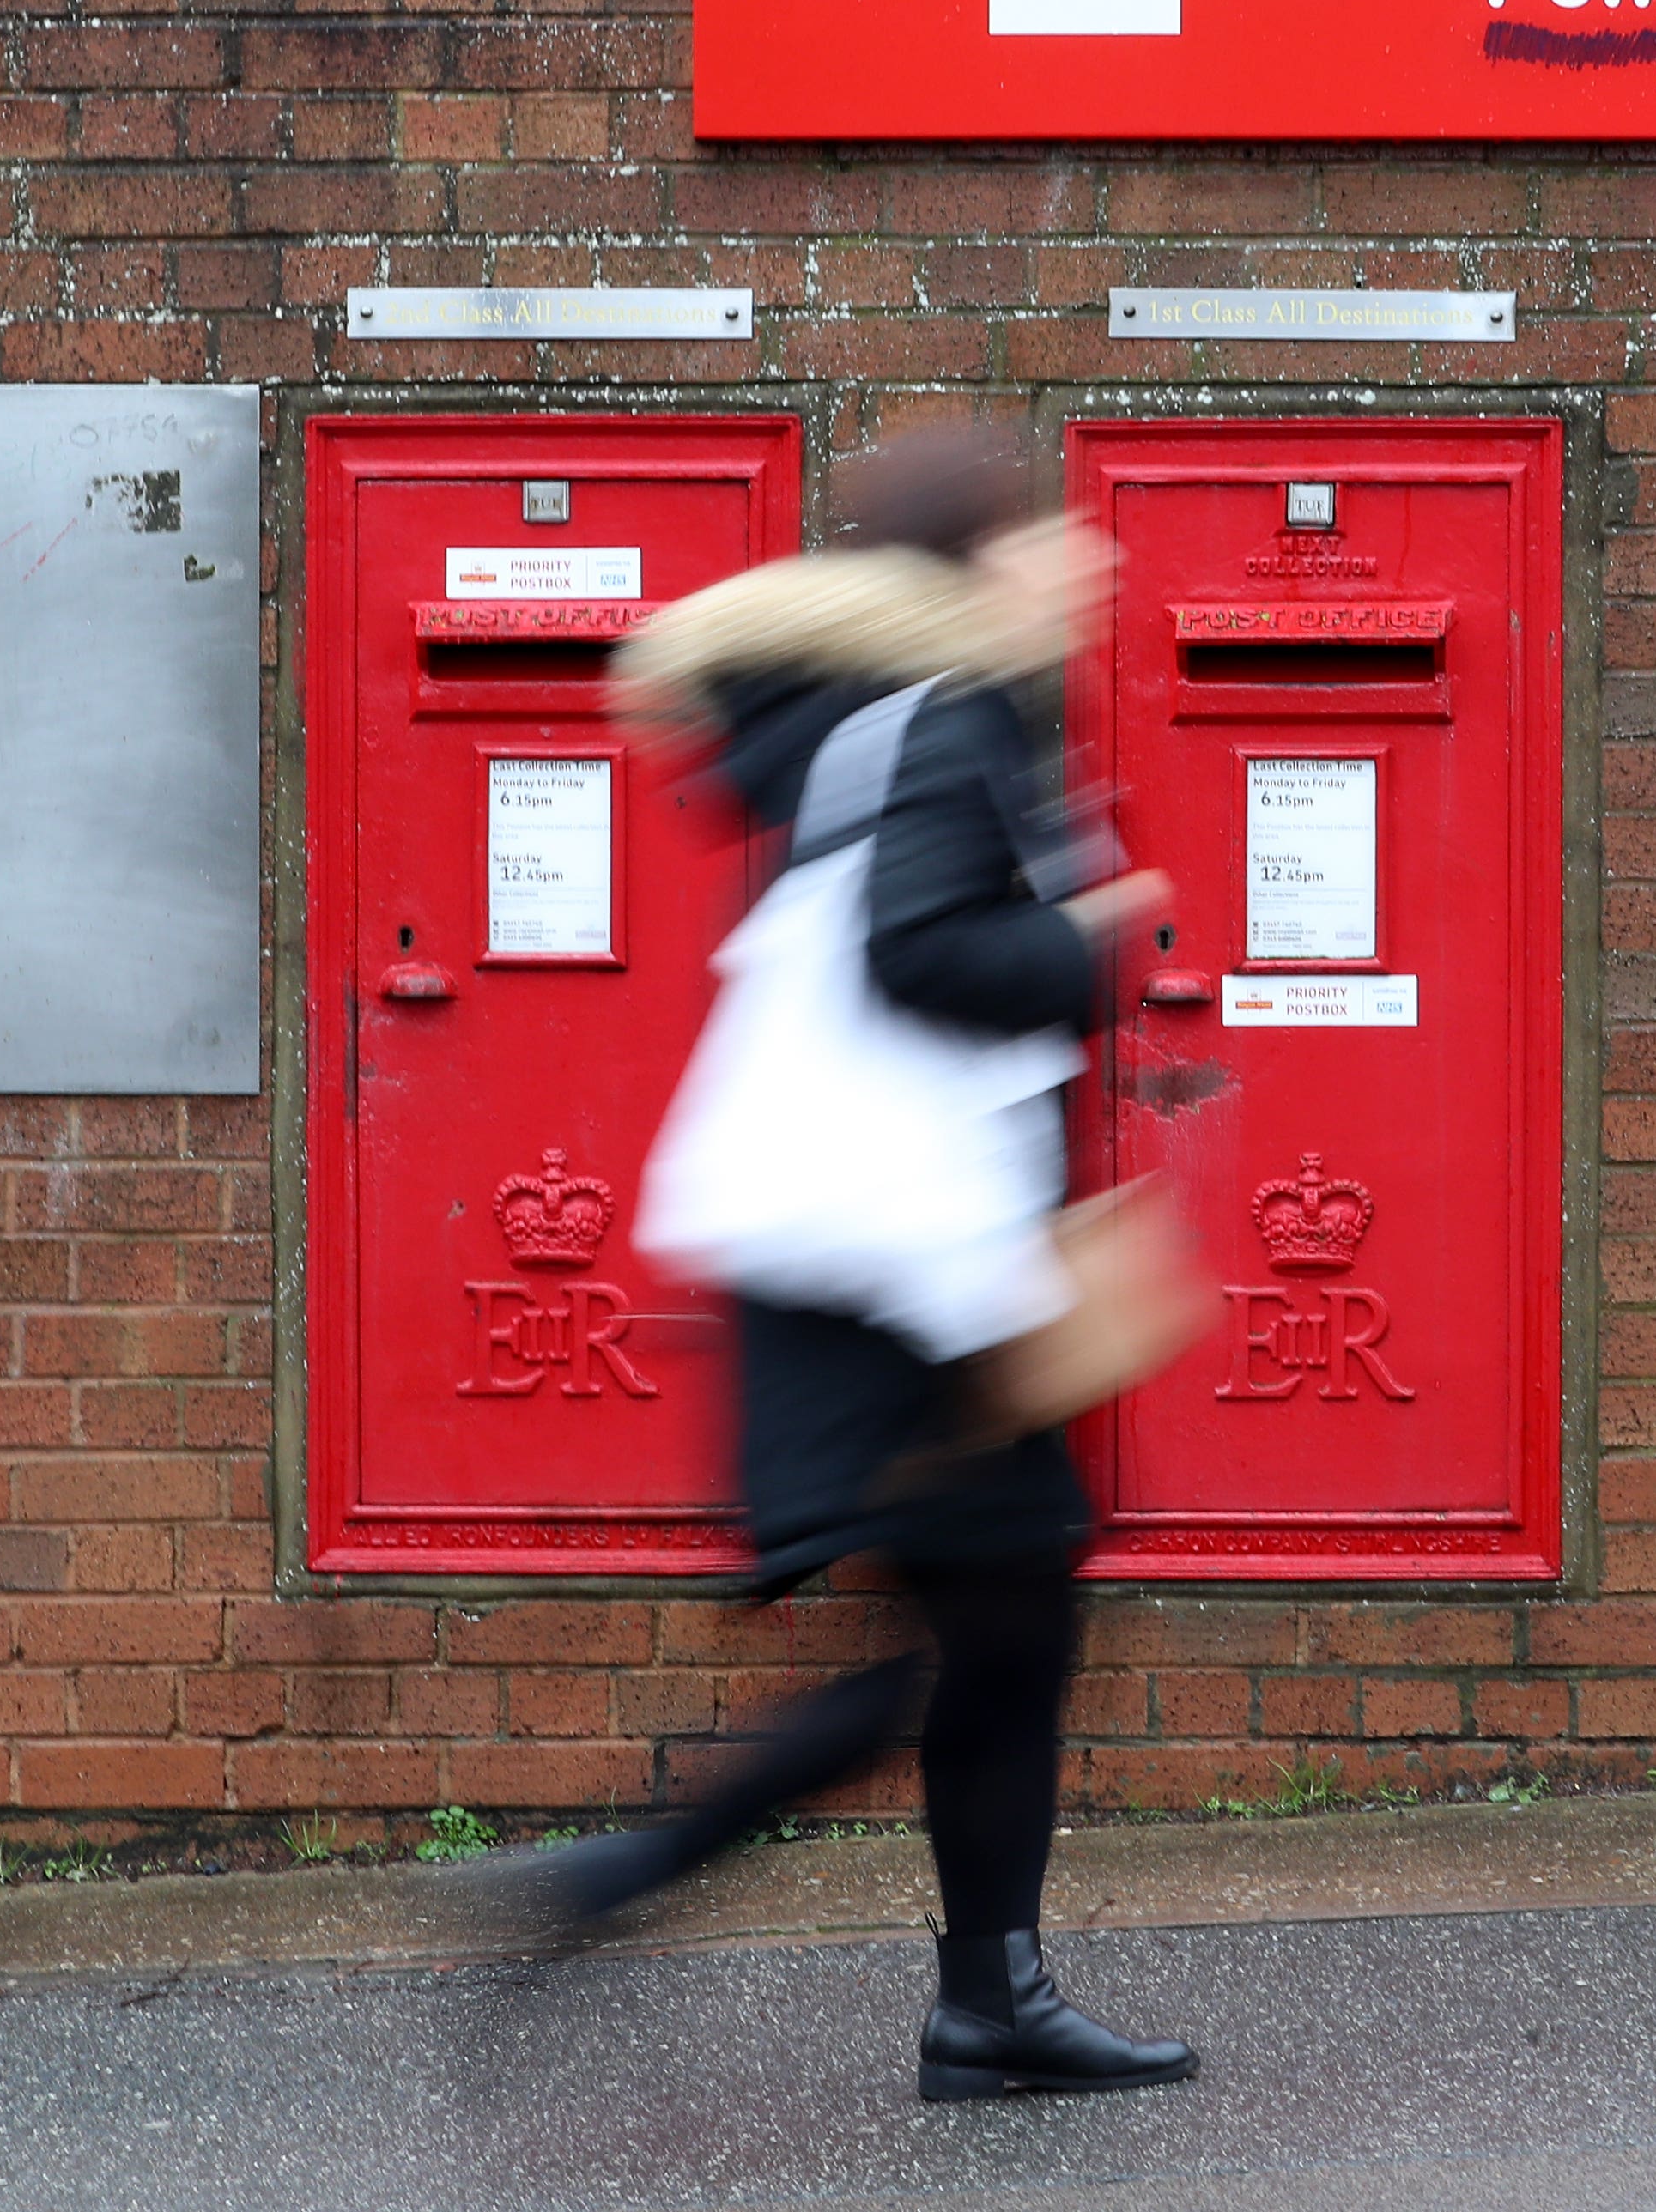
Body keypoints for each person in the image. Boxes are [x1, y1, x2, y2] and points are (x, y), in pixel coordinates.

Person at [471, 432, 1195, 2104]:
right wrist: (1092, 932)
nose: (1083, 562)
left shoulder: (867, 725)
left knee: (993, 1624)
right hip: (898, 1270)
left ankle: (984, 1996)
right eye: (1051, 536)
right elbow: (922, 950)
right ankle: (640, 1884)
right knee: (973, 1630)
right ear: (978, 560)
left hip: (866, 1256)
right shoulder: (948, 719)